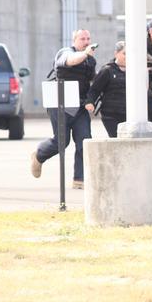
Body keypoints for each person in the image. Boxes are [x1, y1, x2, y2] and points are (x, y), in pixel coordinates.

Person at [31, 29, 96, 189]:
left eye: (88, 39)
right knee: (61, 142)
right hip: (60, 104)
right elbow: (70, 61)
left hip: (79, 106)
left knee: (84, 142)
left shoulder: (90, 60)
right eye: (82, 39)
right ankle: (39, 156)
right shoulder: (65, 52)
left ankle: (79, 179)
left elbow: (92, 80)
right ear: (74, 41)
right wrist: (85, 54)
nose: (86, 42)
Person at [84, 41, 152, 137]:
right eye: (124, 53)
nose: (127, 57)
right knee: (117, 140)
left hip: (129, 115)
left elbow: (140, 90)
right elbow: (95, 90)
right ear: (116, 54)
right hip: (111, 115)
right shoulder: (107, 70)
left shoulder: (135, 71)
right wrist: (90, 102)